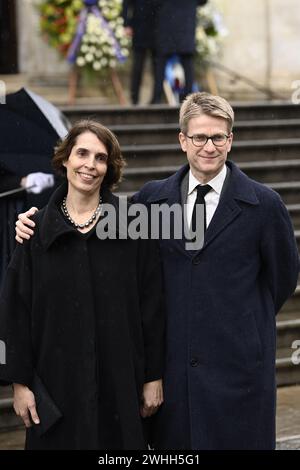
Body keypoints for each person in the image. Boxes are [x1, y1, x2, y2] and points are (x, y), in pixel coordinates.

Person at [15, 93, 300, 450]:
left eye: (218, 137)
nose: (208, 146)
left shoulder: (264, 205)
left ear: (231, 139)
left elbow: (282, 280)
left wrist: (240, 324)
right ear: (183, 140)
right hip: (175, 376)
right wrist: (38, 220)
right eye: (199, 137)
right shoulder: (152, 200)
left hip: (238, 371)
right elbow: (91, 220)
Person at [1, 120, 164, 450]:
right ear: (65, 159)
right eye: (82, 153)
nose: (90, 165)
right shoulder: (34, 231)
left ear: (109, 167)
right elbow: (15, 310)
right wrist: (20, 384)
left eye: (101, 158)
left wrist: (153, 376)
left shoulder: (133, 224)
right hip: (56, 384)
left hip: (120, 382)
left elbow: (153, 304)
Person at [152, 0, 207, 104]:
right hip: (185, 27)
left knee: (160, 65)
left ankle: (157, 97)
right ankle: (189, 99)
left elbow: (154, 4)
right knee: (187, 65)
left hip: (166, 26)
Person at [122, 0, 160, 105]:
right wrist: (126, 24)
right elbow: (126, 3)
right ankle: (134, 99)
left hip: (157, 27)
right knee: (137, 67)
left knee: (158, 68)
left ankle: (156, 99)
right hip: (139, 27)